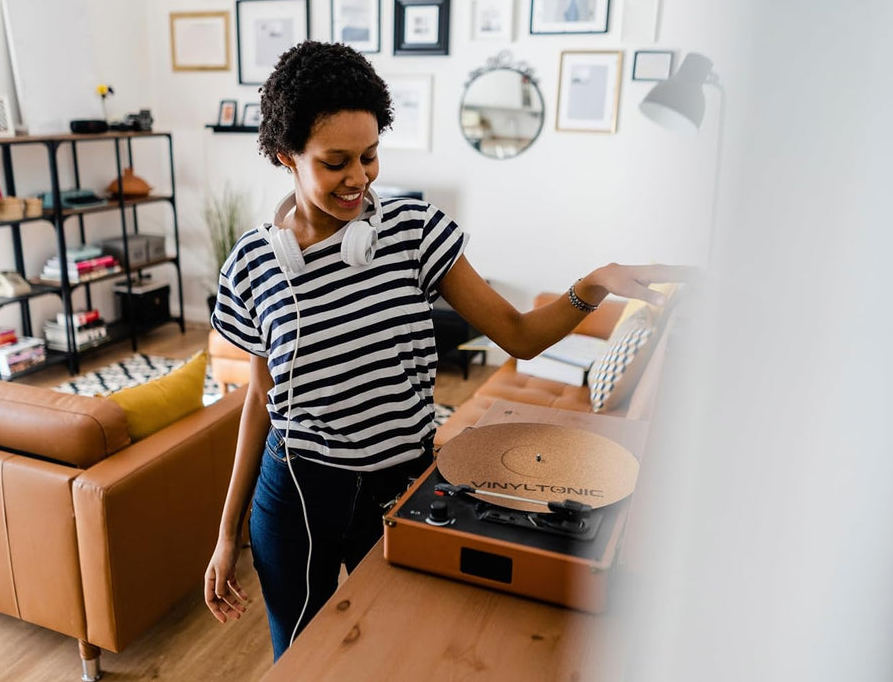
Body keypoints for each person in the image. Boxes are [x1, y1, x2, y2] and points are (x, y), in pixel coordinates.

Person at [204, 40, 685, 660]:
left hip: (400, 480)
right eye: (335, 162)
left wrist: (593, 284)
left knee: (404, 645)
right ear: (284, 156)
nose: (359, 177)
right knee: (299, 657)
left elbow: (518, 334)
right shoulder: (251, 264)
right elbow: (260, 398)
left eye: (370, 156)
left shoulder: (414, 230)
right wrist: (225, 533)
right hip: (296, 489)